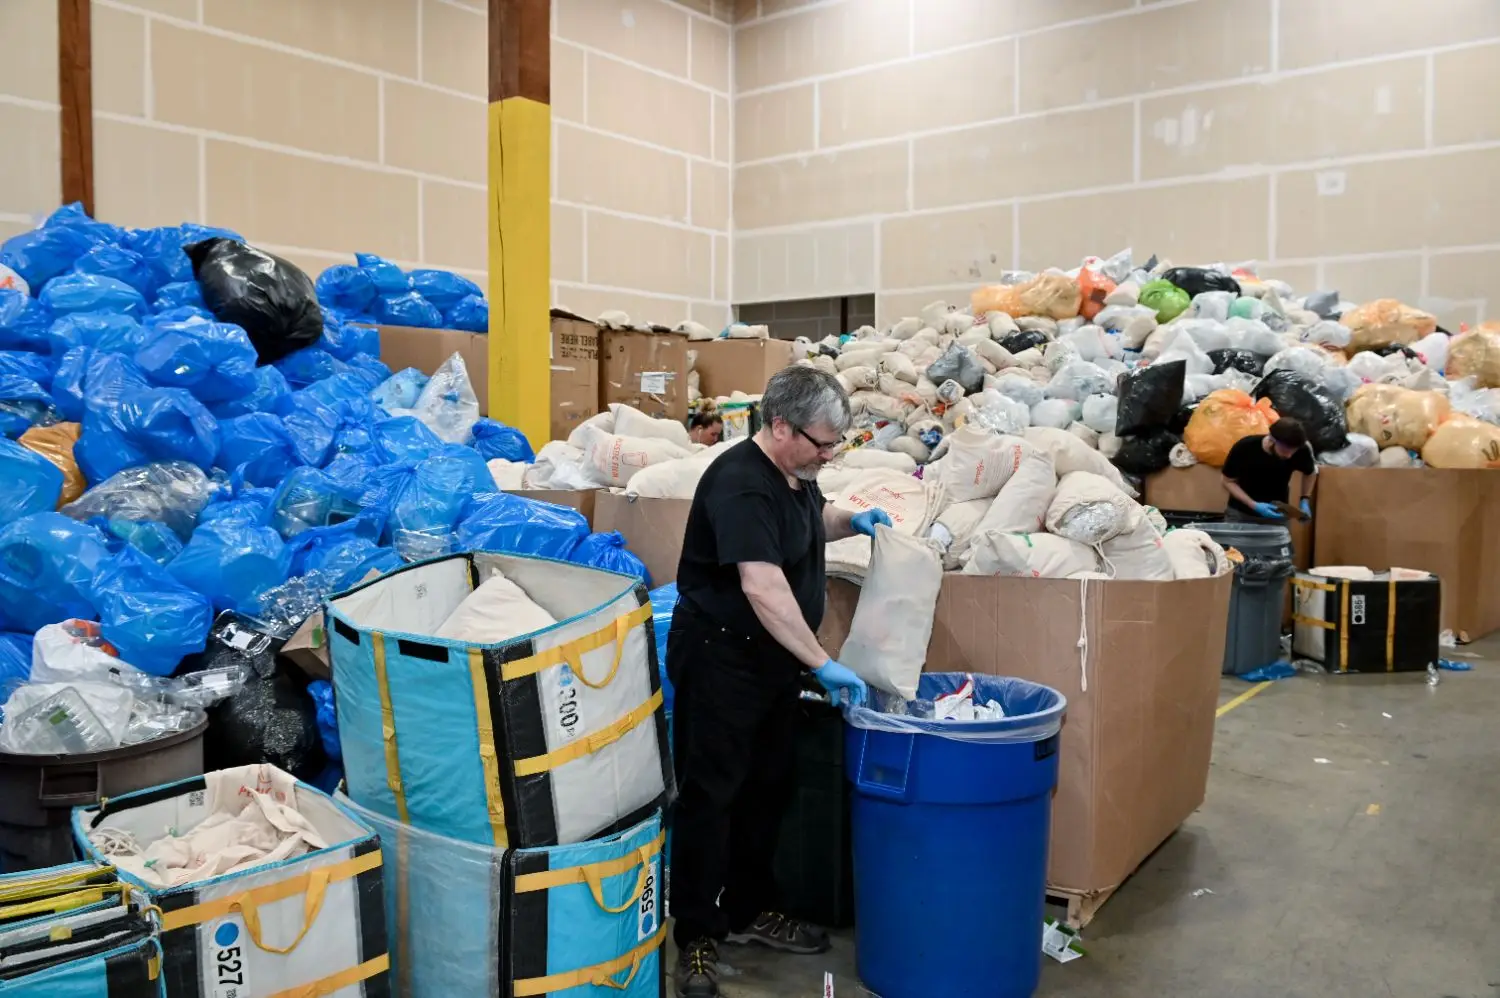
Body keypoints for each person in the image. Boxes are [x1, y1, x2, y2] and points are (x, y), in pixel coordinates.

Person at [668, 366, 888, 998]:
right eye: (822, 443)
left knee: (768, 785)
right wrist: (822, 661)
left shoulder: (796, 475)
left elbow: (808, 523)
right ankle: (699, 937)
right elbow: (762, 586)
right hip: (722, 660)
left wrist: (854, 522)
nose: (830, 454)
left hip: (770, 662)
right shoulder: (740, 483)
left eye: (836, 443)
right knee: (714, 795)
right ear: (781, 426)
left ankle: (747, 909)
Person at [1221, 417, 1318, 522]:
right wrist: (1254, 505)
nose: (1289, 455)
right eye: (1285, 450)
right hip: (1240, 514)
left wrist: (1305, 499)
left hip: (1277, 514)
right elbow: (1227, 481)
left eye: (1293, 451)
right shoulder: (1245, 447)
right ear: (1272, 440)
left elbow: (1310, 473)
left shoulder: (1302, 450)